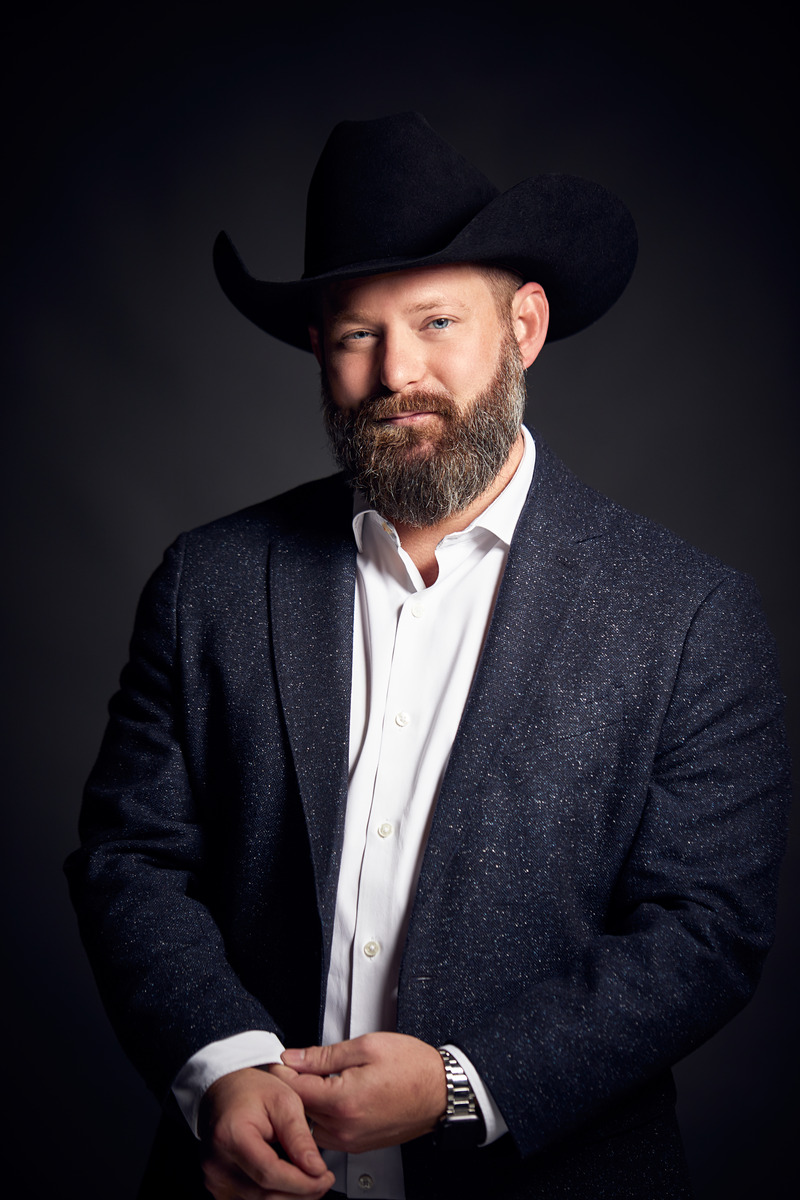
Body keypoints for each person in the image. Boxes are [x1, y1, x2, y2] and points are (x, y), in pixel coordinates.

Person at [66, 113, 791, 1200]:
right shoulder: (206, 581)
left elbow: (704, 934)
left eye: (437, 320)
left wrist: (466, 1084)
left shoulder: (686, 616)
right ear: (319, 347)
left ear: (524, 327)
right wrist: (220, 1065)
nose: (396, 371)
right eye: (357, 333)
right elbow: (131, 860)